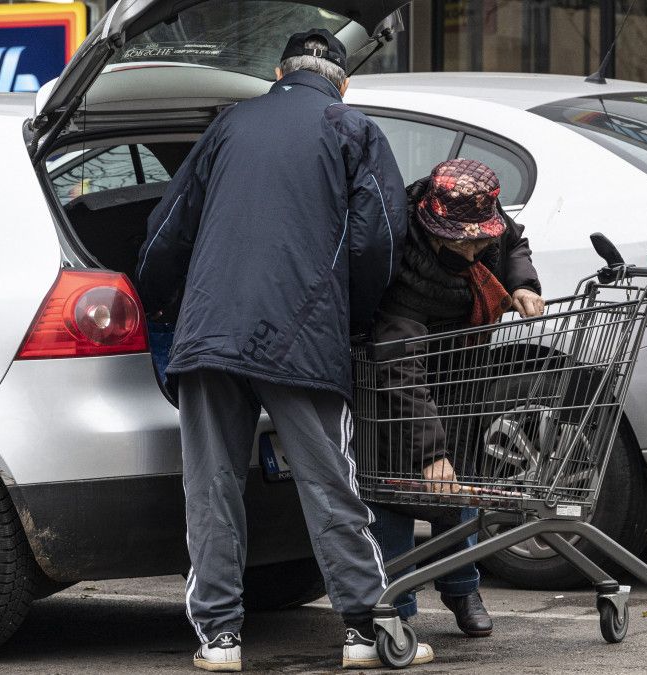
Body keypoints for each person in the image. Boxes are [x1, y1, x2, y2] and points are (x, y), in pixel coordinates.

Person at [137, 29, 430, 672]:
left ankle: (219, 639)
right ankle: (362, 628)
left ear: (277, 72)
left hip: (209, 331)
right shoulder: (353, 131)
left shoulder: (228, 125)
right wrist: (351, 318)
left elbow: (168, 227)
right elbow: (378, 239)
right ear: (342, 81)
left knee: (212, 488)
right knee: (329, 483)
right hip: (301, 334)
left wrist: (158, 302)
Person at [367, 158, 544, 638]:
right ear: (435, 228)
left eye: (480, 238)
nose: (475, 249)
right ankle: (396, 609)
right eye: (464, 241)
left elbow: (513, 240)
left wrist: (522, 283)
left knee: (457, 485)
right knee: (398, 492)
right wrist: (430, 452)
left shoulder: (485, 224)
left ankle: (463, 587)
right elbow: (399, 368)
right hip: (399, 393)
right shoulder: (401, 259)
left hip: (461, 377)